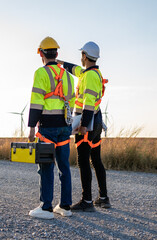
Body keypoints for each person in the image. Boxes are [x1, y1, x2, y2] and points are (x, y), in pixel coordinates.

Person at [57, 41, 111, 212]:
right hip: (96, 120)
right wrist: (61, 64)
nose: (80, 58)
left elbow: (88, 103)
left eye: (81, 54)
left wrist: (83, 126)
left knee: (83, 161)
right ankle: (103, 198)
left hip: (87, 122)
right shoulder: (90, 73)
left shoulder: (89, 77)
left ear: (85, 56)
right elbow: (75, 70)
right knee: (96, 160)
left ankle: (87, 201)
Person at [27, 36, 76, 219]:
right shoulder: (67, 75)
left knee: (46, 167)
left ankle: (46, 207)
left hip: (47, 128)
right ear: (57, 53)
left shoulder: (41, 73)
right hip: (64, 127)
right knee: (64, 166)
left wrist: (32, 126)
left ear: (41, 54)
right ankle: (65, 206)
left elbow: (37, 101)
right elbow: (71, 102)